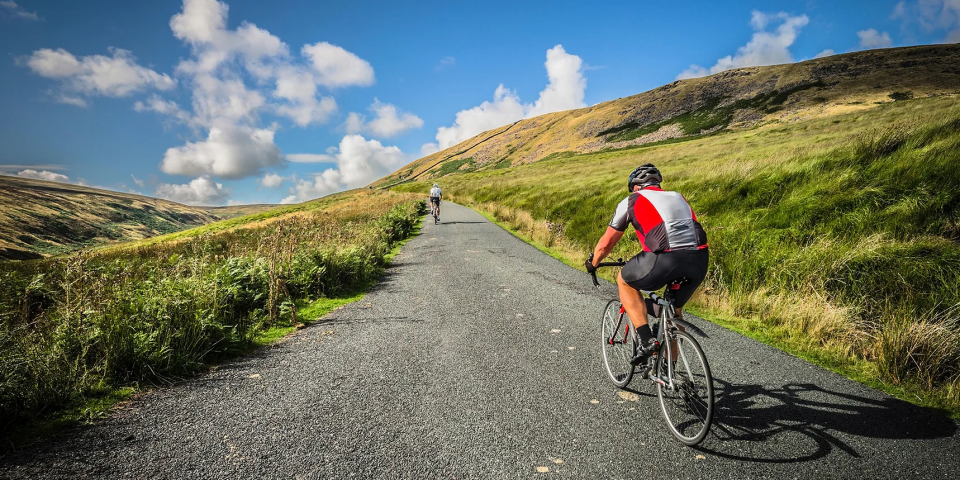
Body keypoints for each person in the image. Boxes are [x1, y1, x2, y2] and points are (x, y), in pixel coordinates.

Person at [585, 164, 709, 364]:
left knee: (625, 281)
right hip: (699, 259)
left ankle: (646, 341)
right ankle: (672, 371)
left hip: (664, 258)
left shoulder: (630, 200)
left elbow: (606, 244)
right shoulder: (678, 196)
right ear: (657, 183)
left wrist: (593, 263)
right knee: (673, 312)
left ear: (635, 187)